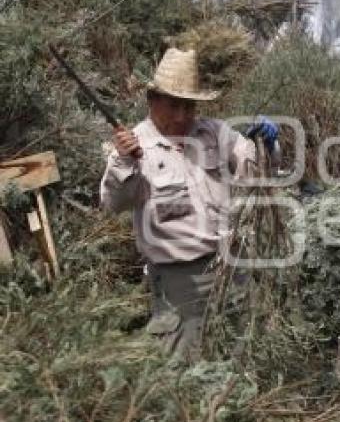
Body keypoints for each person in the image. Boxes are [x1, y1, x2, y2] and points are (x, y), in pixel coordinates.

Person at [100, 47, 278, 363]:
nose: (182, 116)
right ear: (152, 100)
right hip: (177, 281)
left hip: (231, 266)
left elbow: (258, 171)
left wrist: (267, 144)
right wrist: (124, 162)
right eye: (173, 105)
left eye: (189, 106)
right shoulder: (132, 147)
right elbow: (114, 203)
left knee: (242, 352)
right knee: (182, 368)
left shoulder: (215, 132)